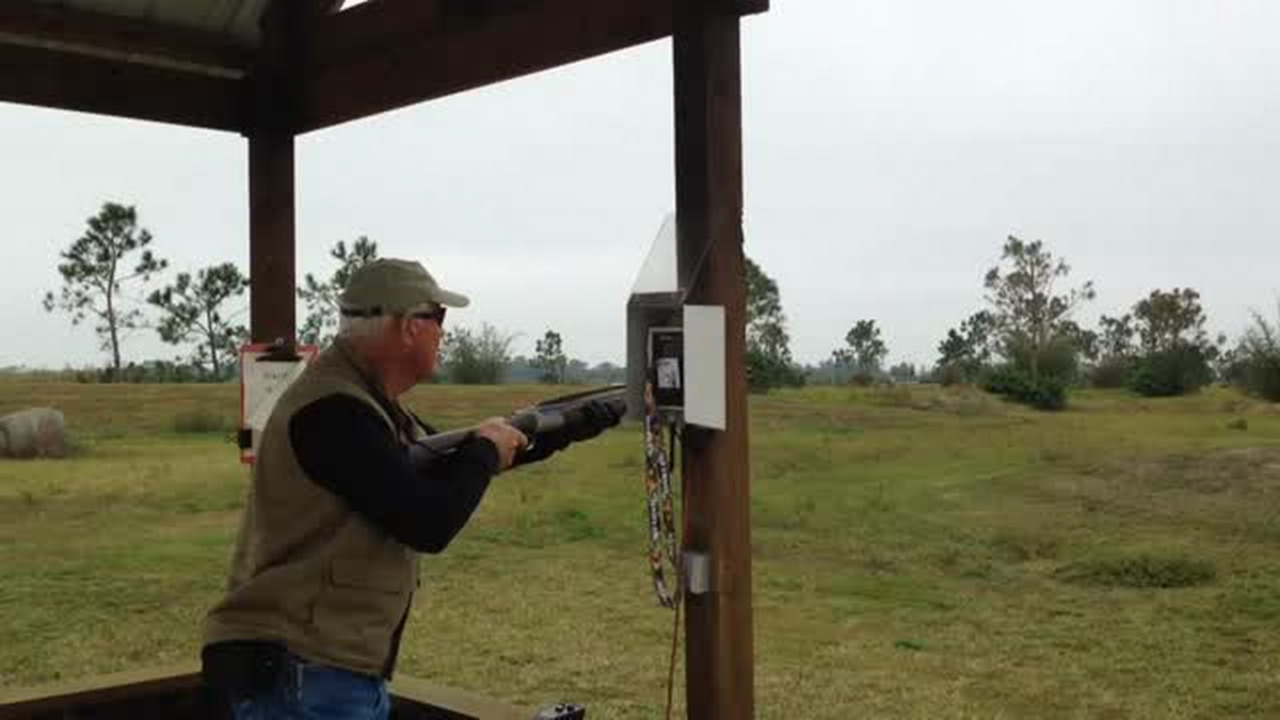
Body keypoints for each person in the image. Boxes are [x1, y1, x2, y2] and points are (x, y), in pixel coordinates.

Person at [201, 258, 617, 719]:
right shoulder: (334, 412)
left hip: (322, 671)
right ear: (406, 327)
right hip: (306, 676)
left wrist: (568, 426)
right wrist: (485, 447)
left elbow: (448, 466)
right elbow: (427, 520)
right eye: (438, 319)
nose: (444, 333)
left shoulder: (364, 404)